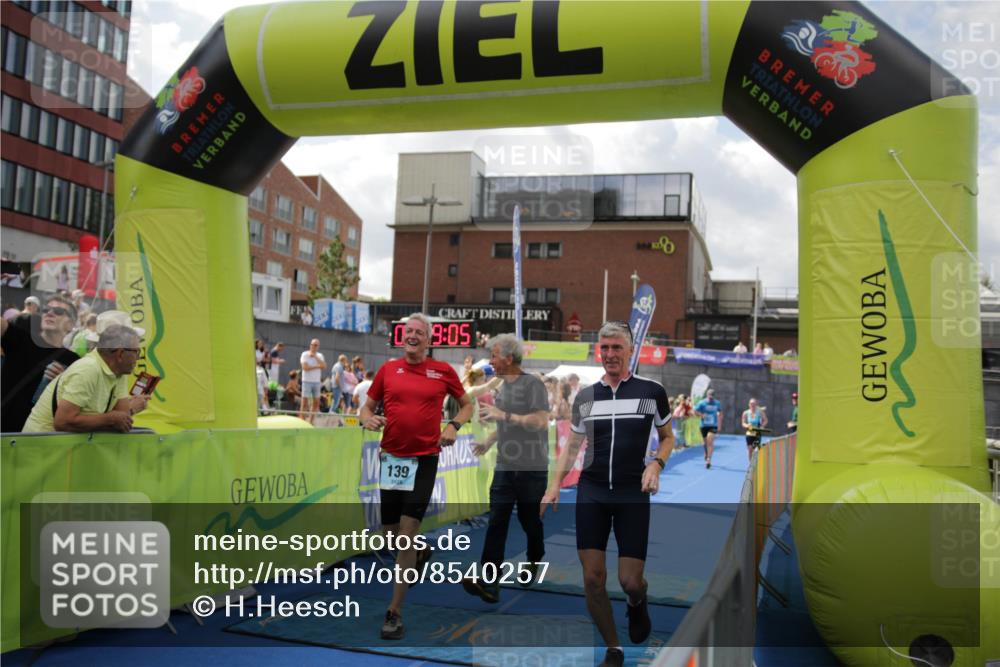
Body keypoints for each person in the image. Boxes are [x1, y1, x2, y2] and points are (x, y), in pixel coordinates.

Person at [541, 321, 674, 667]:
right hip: (593, 491)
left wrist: (656, 464)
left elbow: (668, 436)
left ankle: (636, 602)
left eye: (617, 348)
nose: (611, 355)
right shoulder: (585, 397)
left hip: (632, 493)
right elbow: (572, 444)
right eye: (605, 349)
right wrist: (554, 485)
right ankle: (613, 648)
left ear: (631, 351)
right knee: (592, 577)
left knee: (630, 581)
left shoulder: (652, 391)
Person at [359, 313, 474, 641]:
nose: (412, 336)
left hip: (425, 460)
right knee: (391, 535)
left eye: (419, 332)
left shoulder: (443, 371)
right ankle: (421, 552)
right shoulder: (387, 370)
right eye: (408, 331)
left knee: (406, 535)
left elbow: (467, 406)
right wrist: (367, 419)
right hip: (393, 460)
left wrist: (453, 425)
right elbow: (366, 409)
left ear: (429, 339)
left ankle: (394, 613)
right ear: (402, 336)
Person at [462, 334, 550, 603]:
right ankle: (490, 583)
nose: (490, 361)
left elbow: (541, 422)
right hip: (505, 465)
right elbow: (505, 426)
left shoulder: (533, 384)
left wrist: (503, 415)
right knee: (497, 520)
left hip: (531, 467)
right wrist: (488, 441)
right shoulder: (502, 387)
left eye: (494, 356)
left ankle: (535, 558)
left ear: (509, 358)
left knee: (528, 520)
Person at [23, 323, 149, 433]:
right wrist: (111, 418)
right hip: (39, 451)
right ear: (121, 354)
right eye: (136, 352)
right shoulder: (88, 369)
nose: (138, 358)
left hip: (61, 451)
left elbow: (121, 417)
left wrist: (121, 415)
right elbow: (63, 422)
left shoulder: (119, 372)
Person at [1, 296, 80, 432]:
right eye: (46, 309)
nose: (50, 313)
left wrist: (63, 383)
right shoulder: (23, 339)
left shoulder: (74, 361)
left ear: (71, 324)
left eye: (59, 311)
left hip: (34, 437)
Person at [299, 339, 326, 423]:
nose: (313, 346)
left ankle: (311, 421)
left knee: (316, 402)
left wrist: (315, 356)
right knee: (304, 402)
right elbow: (305, 368)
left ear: (318, 346)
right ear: (310, 345)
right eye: (312, 344)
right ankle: (301, 421)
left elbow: (324, 366)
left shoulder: (320, 355)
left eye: (316, 345)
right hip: (306, 380)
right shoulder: (304, 354)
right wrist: (318, 366)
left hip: (317, 382)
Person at [694, 388, 723, 469]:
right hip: (704, 425)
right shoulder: (702, 403)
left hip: (713, 425)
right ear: (707, 395)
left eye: (712, 397)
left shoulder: (717, 403)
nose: (710, 398)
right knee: (705, 442)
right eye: (709, 396)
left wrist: (719, 425)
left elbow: (720, 413)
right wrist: (701, 415)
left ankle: (709, 460)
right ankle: (706, 453)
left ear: (714, 397)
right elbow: (695, 411)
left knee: (710, 441)